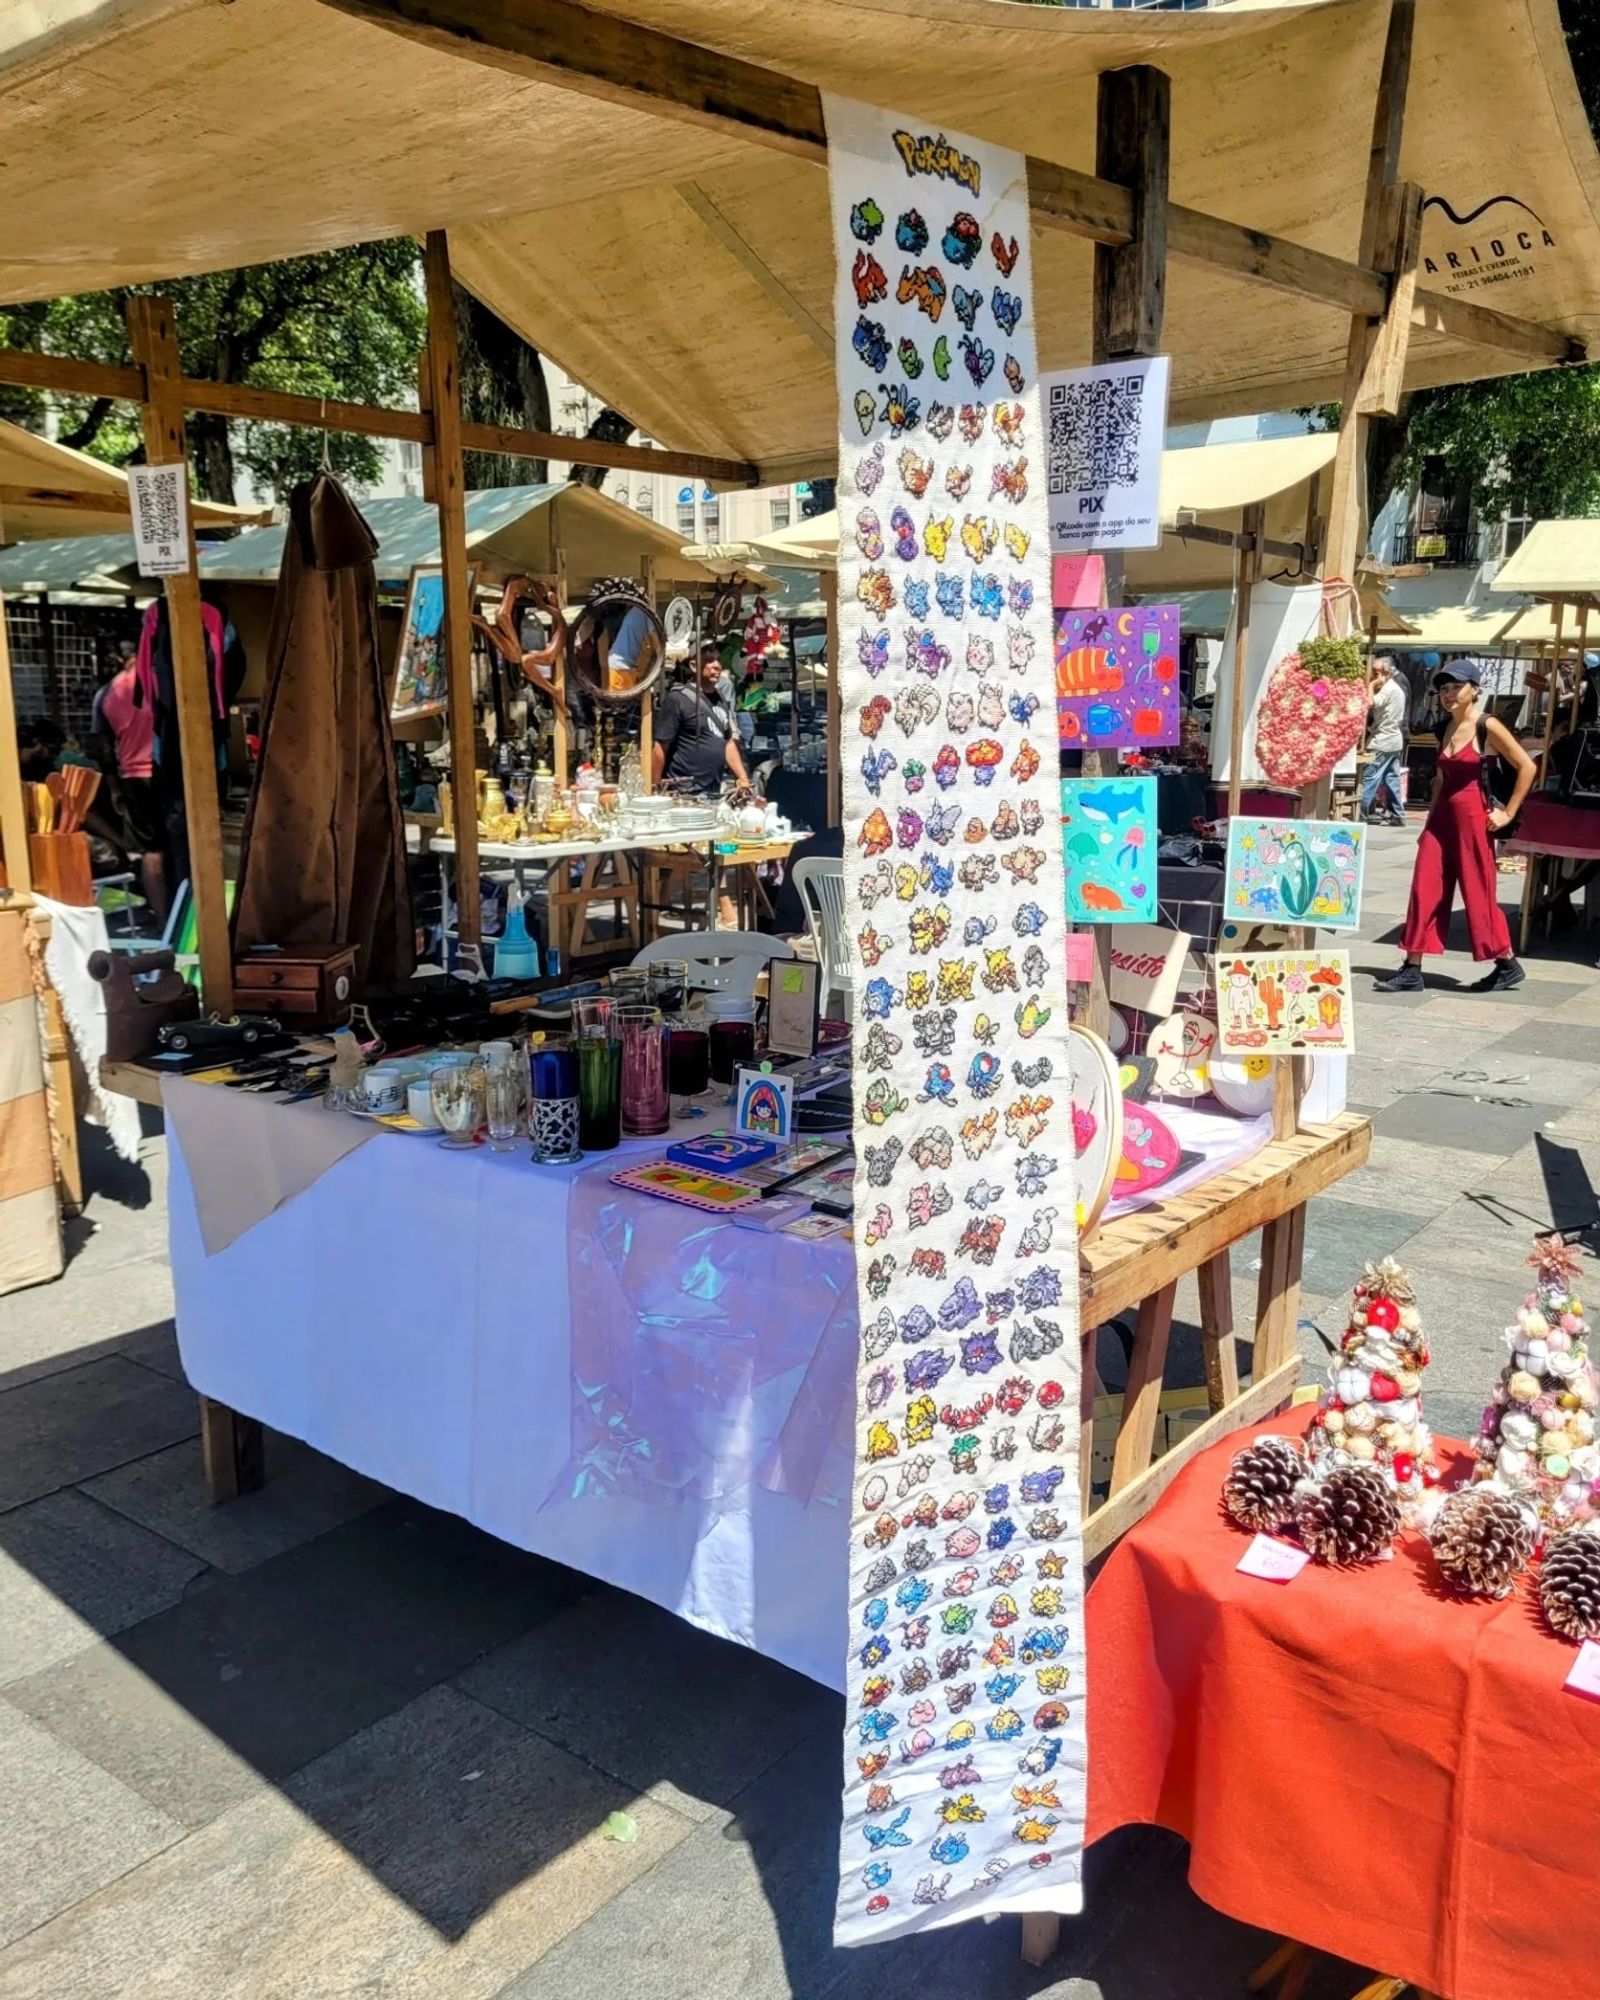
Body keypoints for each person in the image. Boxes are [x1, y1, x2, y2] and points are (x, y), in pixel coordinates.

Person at [1376, 660, 1535, 994]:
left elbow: (1527, 767)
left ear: (1474, 689)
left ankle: (1505, 961)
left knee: (1478, 891)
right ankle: (1412, 967)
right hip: (1442, 819)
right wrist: (1429, 821)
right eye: (1444, 688)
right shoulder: (1441, 727)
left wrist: (1507, 814)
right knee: (1425, 887)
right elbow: (1440, 779)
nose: (1448, 694)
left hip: (1474, 819)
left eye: (1455, 687)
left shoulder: (1486, 725)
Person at [94, 648, 170, 924]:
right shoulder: (164, 681)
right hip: (170, 773)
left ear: (118, 659)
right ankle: (192, 918)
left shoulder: (105, 694)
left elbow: (103, 749)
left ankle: (164, 921)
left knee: (151, 852)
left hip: (133, 780)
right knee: (185, 845)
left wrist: (114, 788)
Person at [653, 644, 749, 797]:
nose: (716, 665)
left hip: (713, 789)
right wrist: (655, 788)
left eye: (718, 660)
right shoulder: (677, 699)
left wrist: (743, 780)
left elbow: (728, 742)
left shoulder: (720, 699)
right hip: (685, 791)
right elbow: (660, 746)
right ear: (693, 666)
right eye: (709, 660)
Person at [1362, 655, 1408, 826]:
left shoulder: (1389, 689)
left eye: (1376, 673)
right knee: (1391, 778)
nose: (1373, 676)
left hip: (1382, 740)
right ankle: (1398, 815)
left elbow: (1369, 703)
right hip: (1393, 740)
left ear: (1385, 673)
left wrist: (1371, 686)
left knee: (1370, 778)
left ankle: (1361, 814)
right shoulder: (1396, 688)